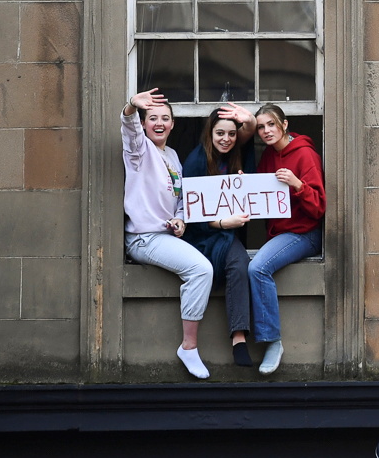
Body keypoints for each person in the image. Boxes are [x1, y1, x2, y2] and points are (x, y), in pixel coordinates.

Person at [121, 88, 214, 379]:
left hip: (166, 235)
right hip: (144, 238)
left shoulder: (172, 155)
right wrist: (131, 108)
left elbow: (182, 199)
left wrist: (180, 220)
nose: (158, 122)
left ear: (173, 124)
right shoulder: (140, 151)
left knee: (202, 266)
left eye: (165, 118)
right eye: (152, 118)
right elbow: (130, 132)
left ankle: (189, 347)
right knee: (201, 270)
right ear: (145, 123)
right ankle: (189, 346)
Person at [180, 104, 258, 367]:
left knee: (239, 264)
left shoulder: (238, 156)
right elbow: (192, 216)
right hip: (202, 235)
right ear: (209, 135)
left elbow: (250, 130)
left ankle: (239, 339)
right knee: (220, 264)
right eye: (220, 134)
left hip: (228, 234)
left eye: (231, 134)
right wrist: (224, 222)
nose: (226, 139)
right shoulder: (195, 161)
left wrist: (242, 186)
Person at [250, 103, 326, 374]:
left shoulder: (305, 154)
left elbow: (319, 208)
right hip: (281, 233)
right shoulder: (269, 156)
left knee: (258, 267)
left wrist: (297, 185)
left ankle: (272, 341)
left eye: (271, 124)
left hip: (305, 233)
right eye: (261, 127)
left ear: (284, 124)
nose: (266, 131)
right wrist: (242, 186)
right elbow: (259, 193)